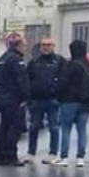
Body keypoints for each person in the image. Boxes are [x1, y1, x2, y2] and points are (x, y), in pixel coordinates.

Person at [55, 39, 89, 167]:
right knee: (82, 129)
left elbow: (63, 83)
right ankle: (80, 158)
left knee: (66, 129)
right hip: (86, 101)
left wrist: (58, 96)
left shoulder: (70, 65)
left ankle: (64, 157)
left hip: (69, 101)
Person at [25, 36, 64, 164]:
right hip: (36, 100)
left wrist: (60, 95)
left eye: (48, 45)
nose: (46, 47)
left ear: (53, 46)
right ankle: (31, 153)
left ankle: (53, 153)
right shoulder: (34, 62)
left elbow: (65, 79)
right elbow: (27, 79)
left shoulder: (59, 61)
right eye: (43, 45)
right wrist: (28, 97)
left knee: (54, 127)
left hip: (53, 100)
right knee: (33, 127)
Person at [0, 32, 29, 167]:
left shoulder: (0, 60)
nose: (25, 48)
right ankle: (11, 156)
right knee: (15, 127)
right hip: (14, 98)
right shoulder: (16, 60)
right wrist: (25, 97)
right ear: (18, 46)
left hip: (2, 97)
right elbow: (21, 80)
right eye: (24, 46)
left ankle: (2, 157)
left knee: (4, 127)